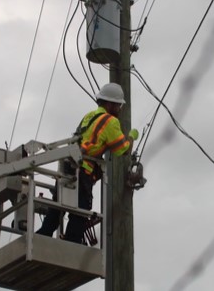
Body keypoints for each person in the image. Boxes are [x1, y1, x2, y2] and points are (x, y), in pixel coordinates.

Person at [36, 82, 139, 244]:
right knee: (81, 210)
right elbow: (123, 149)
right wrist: (131, 136)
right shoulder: (110, 121)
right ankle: (72, 243)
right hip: (83, 171)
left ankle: (40, 238)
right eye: (118, 106)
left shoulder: (89, 116)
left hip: (68, 167)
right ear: (110, 104)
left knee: (57, 208)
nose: (119, 109)